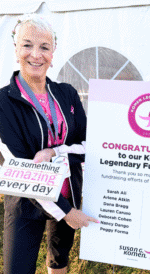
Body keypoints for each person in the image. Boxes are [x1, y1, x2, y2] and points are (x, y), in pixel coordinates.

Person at [0, 14, 98, 274]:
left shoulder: (66, 93)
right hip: (25, 199)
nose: (36, 54)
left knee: (58, 260)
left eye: (44, 47)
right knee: (16, 269)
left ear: (53, 52)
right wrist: (67, 212)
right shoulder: (3, 102)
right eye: (27, 45)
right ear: (16, 49)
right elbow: (18, 165)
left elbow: (90, 144)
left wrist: (56, 151)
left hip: (66, 190)